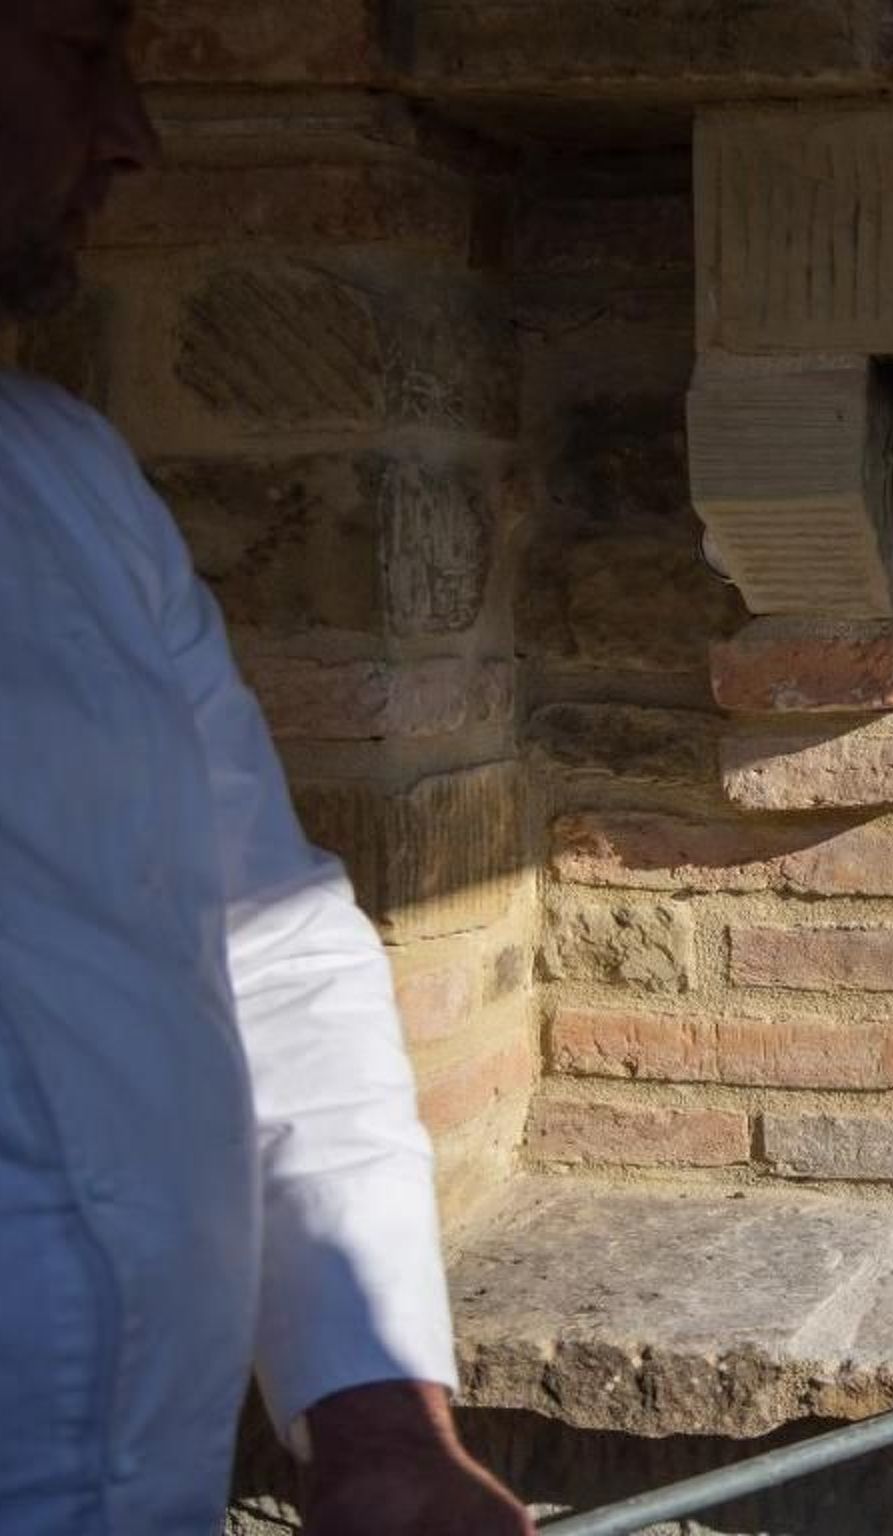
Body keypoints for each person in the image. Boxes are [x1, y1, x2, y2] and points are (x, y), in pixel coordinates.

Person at [0, 3, 534, 1532]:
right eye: (77, 51)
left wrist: (374, 1419)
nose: (136, 135)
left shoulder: (69, 481)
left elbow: (279, 943)